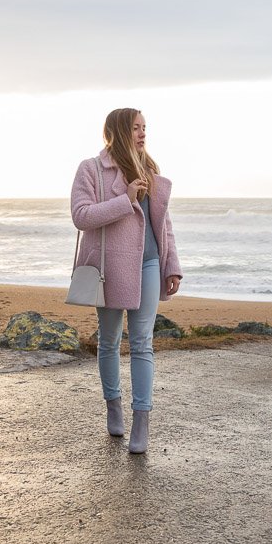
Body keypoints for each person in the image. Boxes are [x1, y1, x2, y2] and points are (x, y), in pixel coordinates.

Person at [70, 108, 182, 454]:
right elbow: (81, 216)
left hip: (148, 263)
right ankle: (113, 407)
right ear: (118, 130)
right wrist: (125, 200)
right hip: (110, 268)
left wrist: (171, 265)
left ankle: (142, 423)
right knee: (108, 340)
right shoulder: (91, 169)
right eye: (136, 127)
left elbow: (163, 224)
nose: (143, 133)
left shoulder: (151, 170)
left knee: (143, 343)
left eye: (145, 127)